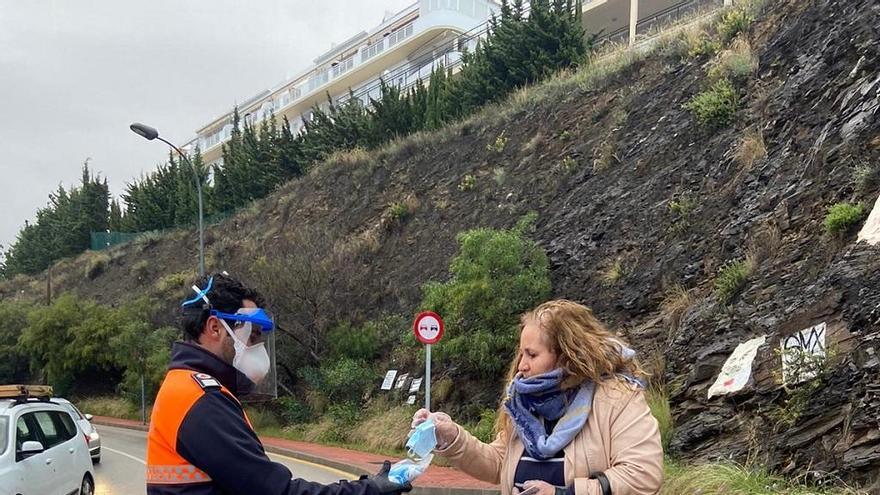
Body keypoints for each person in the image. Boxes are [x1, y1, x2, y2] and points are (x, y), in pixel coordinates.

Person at [146, 273, 412, 495]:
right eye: (252, 336)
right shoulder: (201, 401)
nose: (257, 348)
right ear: (215, 328)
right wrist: (369, 490)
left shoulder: (189, 387)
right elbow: (275, 491)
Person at [412, 299, 663, 495]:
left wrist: (564, 493)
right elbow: (499, 464)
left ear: (567, 356)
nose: (521, 365)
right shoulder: (523, 404)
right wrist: (452, 437)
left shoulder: (617, 397)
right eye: (521, 354)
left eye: (532, 355)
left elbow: (643, 474)